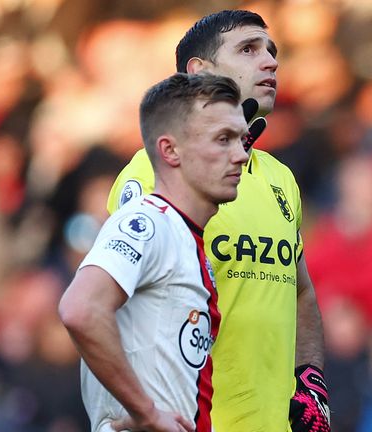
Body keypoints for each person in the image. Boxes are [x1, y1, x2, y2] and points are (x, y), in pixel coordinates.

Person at [105, 10, 329, 432]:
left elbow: (301, 292)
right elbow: (107, 308)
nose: (271, 62)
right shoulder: (151, 174)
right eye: (249, 49)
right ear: (199, 72)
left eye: (272, 51)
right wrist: (138, 411)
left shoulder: (280, 179)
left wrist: (310, 381)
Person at [58, 73, 249, 432]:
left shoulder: (185, 238)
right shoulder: (147, 222)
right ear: (169, 150)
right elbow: (80, 308)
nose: (240, 155)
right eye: (223, 139)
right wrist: (146, 413)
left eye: (243, 140)